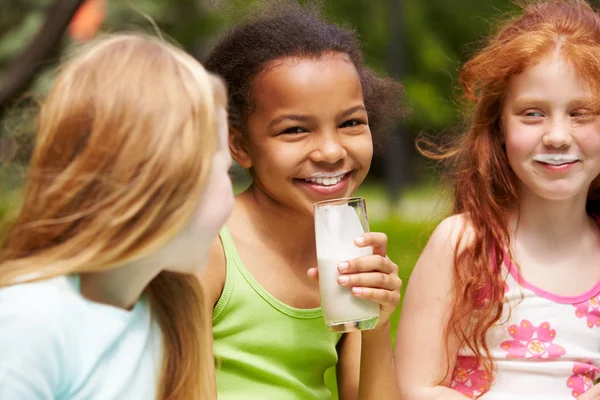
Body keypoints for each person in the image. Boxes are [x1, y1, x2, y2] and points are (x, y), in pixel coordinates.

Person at [0, 33, 233, 400]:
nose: (231, 195)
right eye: (225, 170)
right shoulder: (31, 322)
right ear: (167, 176)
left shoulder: (169, 310)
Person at [395, 1, 600, 399]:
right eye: (532, 113)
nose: (557, 135)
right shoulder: (464, 244)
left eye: (582, 113)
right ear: (499, 126)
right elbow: (416, 387)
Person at [201, 1, 404, 399]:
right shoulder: (210, 249)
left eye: (350, 123)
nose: (330, 151)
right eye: (295, 130)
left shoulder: (347, 245)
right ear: (239, 145)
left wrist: (376, 326)